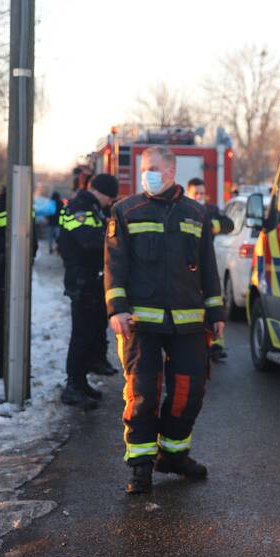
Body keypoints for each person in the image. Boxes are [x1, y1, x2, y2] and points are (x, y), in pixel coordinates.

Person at [104, 147, 225, 495]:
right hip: (141, 322)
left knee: (190, 392)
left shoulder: (196, 213)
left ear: (171, 172)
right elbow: (115, 264)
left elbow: (208, 268)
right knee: (142, 393)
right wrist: (117, 308)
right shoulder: (125, 211)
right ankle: (141, 467)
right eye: (145, 169)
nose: (148, 175)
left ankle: (172, 456)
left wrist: (216, 314)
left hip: (188, 321)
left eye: (154, 169)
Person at [58, 174, 119, 410]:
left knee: (92, 331)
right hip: (81, 279)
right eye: (110, 197)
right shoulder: (78, 207)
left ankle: (81, 382)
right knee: (81, 335)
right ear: (101, 192)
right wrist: (114, 238)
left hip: (92, 280)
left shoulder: (93, 208)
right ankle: (72, 386)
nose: (110, 202)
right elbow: (87, 239)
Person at [0, 187, 37, 380]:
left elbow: (32, 236)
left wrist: (30, 256)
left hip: (19, 267)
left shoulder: (26, 205)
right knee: (3, 318)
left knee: (20, 316)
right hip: (2, 269)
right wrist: (14, 246)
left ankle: (19, 365)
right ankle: (2, 367)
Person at [186, 177, 234, 362]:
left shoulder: (211, 210)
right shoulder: (184, 210)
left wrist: (211, 226)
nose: (199, 197)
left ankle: (216, 345)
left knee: (214, 303)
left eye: (202, 193)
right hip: (188, 267)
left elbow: (229, 224)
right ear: (188, 194)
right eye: (195, 193)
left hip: (207, 264)